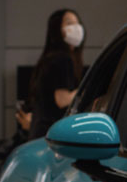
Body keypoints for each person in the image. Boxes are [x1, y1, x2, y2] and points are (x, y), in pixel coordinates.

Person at [28, 8, 86, 140]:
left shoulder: (49, 58)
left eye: (77, 23)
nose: (76, 28)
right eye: (69, 23)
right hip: (50, 135)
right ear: (57, 30)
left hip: (41, 133)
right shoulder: (62, 59)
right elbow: (62, 100)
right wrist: (85, 92)